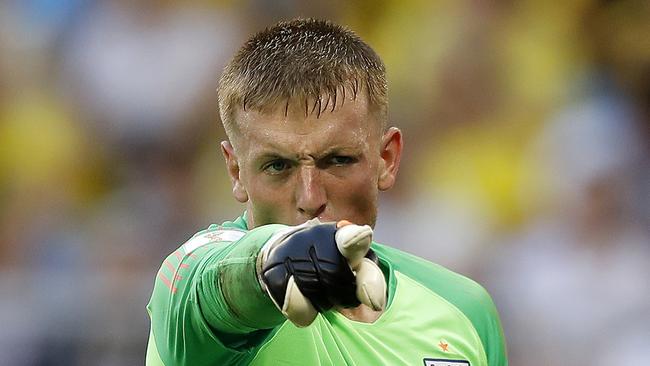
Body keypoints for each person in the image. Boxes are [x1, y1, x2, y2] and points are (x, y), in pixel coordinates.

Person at [146, 18, 508, 366]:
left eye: (337, 160)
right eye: (277, 166)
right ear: (236, 171)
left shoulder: (464, 312)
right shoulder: (186, 283)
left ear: (387, 159)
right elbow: (209, 288)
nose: (309, 197)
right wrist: (271, 263)